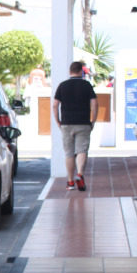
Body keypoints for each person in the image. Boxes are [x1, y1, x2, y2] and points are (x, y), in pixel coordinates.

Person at [52, 60, 98, 192]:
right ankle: (80, 175)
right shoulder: (87, 85)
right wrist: (93, 120)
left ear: (70, 71)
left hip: (66, 123)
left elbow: (55, 105)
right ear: (81, 71)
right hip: (83, 123)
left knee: (69, 153)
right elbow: (94, 104)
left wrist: (58, 121)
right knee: (82, 150)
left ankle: (70, 181)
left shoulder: (62, 86)